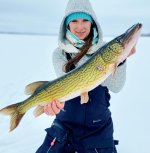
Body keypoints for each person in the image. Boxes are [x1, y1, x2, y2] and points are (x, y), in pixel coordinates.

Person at [36, 0, 136, 152]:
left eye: (85, 20)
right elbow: (69, 82)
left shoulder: (106, 49)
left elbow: (116, 87)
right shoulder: (60, 53)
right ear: (67, 25)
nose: (80, 26)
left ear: (92, 23)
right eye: (74, 21)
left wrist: (119, 61)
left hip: (98, 127)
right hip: (65, 125)